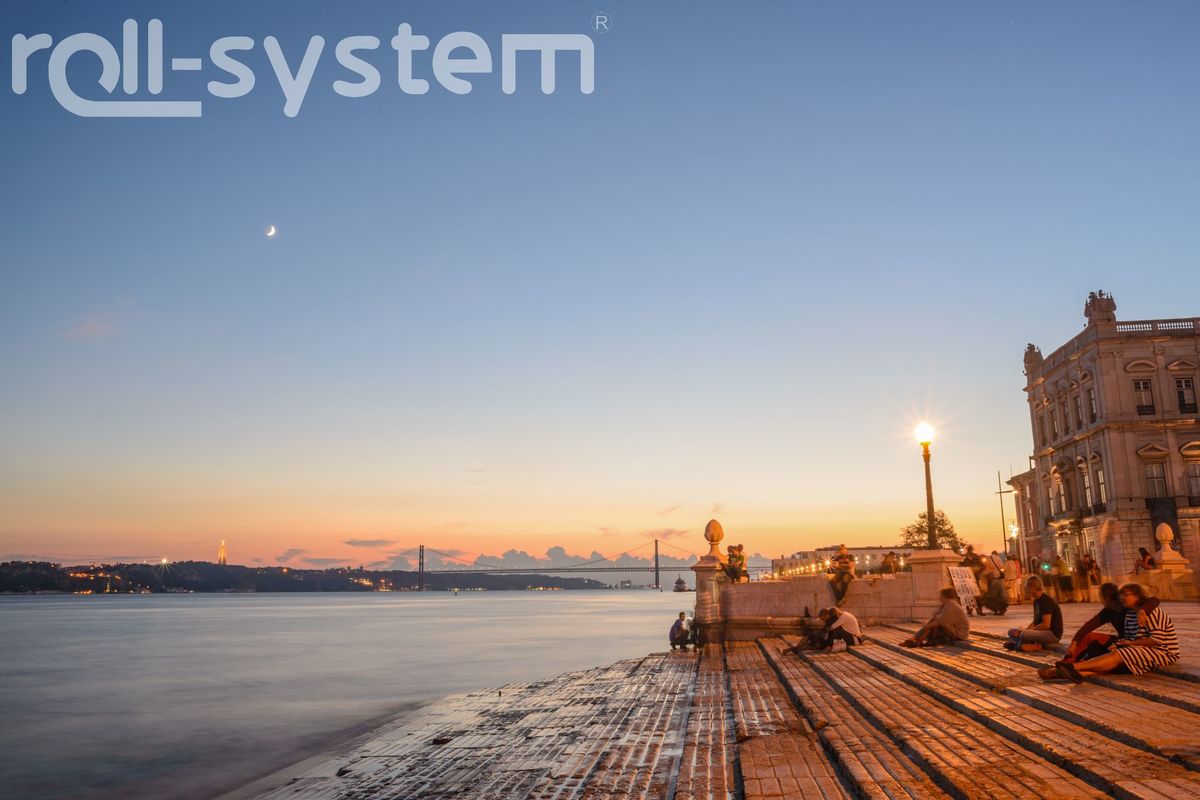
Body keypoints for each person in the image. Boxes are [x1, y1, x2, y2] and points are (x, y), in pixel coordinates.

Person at [1055, 583, 1179, 683]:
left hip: (1162, 651)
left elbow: (1156, 639)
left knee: (1119, 654)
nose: (1122, 598)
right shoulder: (1129, 613)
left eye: (1126, 594)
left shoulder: (1148, 611)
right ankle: (1077, 672)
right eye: (1121, 595)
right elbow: (1089, 626)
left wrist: (1130, 643)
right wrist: (1121, 644)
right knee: (1114, 652)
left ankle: (1073, 667)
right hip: (1139, 648)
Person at [1005, 576, 1062, 652]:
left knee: (1024, 634)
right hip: (1041, 632)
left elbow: (1046, 625)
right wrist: (1025, 630)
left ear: (1032, 588)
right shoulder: (1036, 601)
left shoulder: (1046, 601)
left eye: (1027, 588)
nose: (1026, 590)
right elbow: (1035, 622)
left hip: (1052, 634)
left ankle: (1019, 646)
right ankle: (1027, 645)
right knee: (1011, 631)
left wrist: (1028, 632)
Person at [901, 588, 970, 647]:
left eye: (940, 595)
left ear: (944, 596)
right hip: (953, 630)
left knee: (932, 625)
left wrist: (926, 626)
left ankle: (916, 640)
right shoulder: (947, 605)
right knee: (931, 623)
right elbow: (936, 617)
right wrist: (929, 624)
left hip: (960, 634)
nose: (939, 597)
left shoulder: (952, 606)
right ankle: (916, 640)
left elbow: (941, 622)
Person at [976, 551, 1008, 616]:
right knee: (999, 596)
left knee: (989, 598)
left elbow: (987, 572)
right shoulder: (998, 558)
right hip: (1000, 580)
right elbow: (1002, 567)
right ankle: (1002, 608)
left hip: (993, 581)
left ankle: (997, 609)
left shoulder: (988, 560)